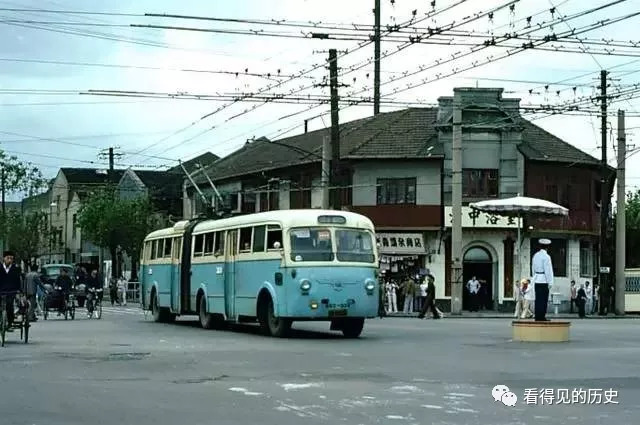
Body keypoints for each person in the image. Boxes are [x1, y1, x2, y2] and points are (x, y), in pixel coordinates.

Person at [530, 238, 554, 321]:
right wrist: (550, 282)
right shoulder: (547, 257)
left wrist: (534, 277)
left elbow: (532, 267)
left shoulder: (535, 255)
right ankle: (542, 316)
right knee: (543, 299)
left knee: (538, 299)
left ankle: (537, 316)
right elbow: (548, 270)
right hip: (544, 280)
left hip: (536, 278)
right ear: (547, 247)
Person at [0, 251, 22, 328]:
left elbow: (18, 281)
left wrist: (19, 291)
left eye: (11, 258)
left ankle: (10, 322)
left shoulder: (15, 269)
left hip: (11, 291)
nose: (9, 260)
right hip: (1, 291)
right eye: (8, 258)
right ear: (4, 259)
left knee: (9, 306)